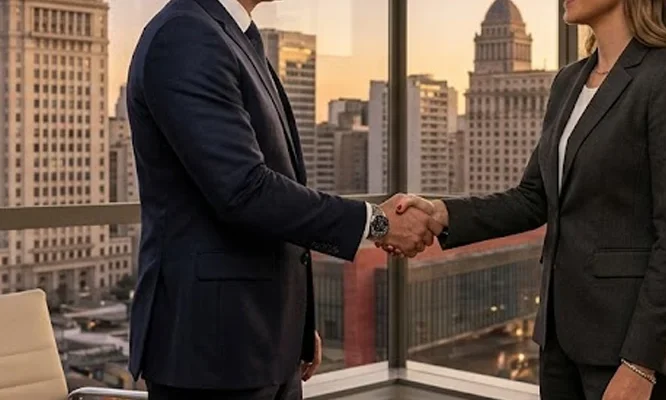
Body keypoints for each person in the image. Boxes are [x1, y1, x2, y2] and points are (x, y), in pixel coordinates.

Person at [384, 0, 666, 397]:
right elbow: (533, 197)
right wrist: (439, 213)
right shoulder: (569, 81)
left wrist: (640, 366)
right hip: (561, 341)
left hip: (630, 349)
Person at [125, 0, 441, 399]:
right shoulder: (185, 35)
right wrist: (376, 222)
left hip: (261, 341)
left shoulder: (232, 35)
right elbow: (245, 189)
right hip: (212, 352)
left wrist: (294, 324)